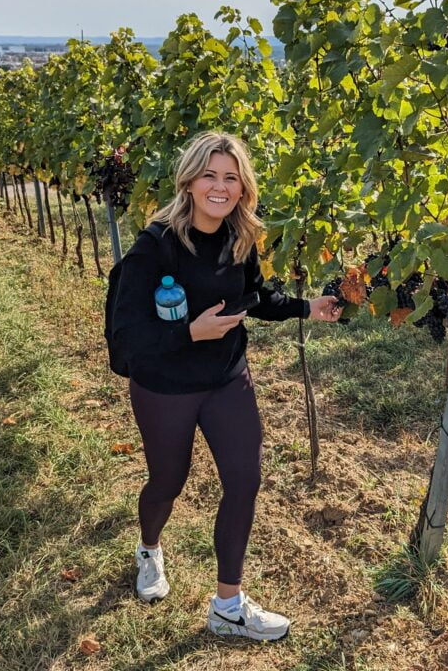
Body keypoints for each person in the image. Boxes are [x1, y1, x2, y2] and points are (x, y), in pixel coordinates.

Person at [109, 131, 342, 641]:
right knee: (169, 482)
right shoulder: (156, 246)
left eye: (231, 178)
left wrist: (307, 308)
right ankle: (149, 548)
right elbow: (126, 335)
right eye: (210, 175)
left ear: (243, 188)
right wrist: (188, 331)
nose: (220, 186)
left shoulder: (240, 239)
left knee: (245, 479)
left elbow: (254, 296)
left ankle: (228, 606)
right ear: (189, 181)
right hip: (165, 386)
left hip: (226, 380)